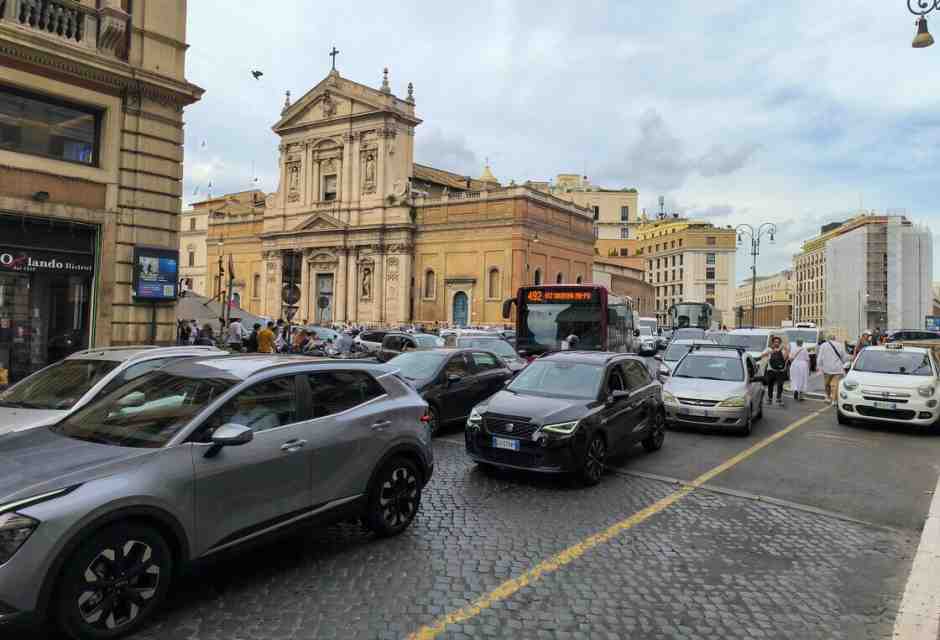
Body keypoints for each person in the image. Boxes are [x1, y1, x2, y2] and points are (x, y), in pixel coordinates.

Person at [817, 334, 847, 405]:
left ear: (828, 339)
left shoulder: (823, 345)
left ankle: (828, 397)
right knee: (835, 385)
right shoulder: (840, 345)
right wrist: (843, 363)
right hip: (837, 368)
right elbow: (844, 357)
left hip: (827, 368)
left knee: (826, 384)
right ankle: (834, 400)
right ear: (834, 338)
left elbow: (820, 357)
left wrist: (819, 366)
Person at [761, 335, 789, 406]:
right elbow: (762, 355)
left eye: (778, 342)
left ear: (780, 343)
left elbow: (785, 358)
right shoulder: (769, 349)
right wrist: (771, 352)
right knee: (770, 385)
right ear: (773, 343)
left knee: (780, 385)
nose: (776, 343)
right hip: (771, 370)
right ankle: (770, 399)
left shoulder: (782, 350)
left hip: (780, 371)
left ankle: (778, 398)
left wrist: (786, 350)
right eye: (775, 342)